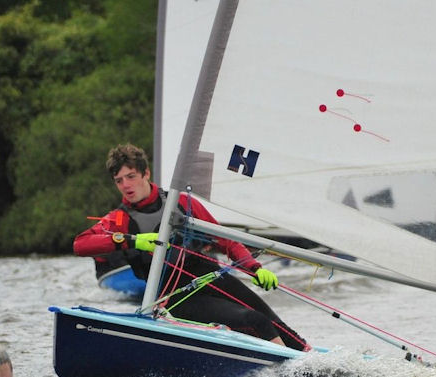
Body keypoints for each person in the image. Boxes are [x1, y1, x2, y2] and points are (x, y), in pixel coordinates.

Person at [73, 143, 309, 351]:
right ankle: (285, 375)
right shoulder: (119, 220)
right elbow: (80, 244)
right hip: (176, 297)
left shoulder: (182, 203)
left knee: (278, 325)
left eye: (131, 176)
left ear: (146, 173)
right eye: (119, 181)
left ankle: (310, 363)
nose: (126, 185)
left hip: (212, 278)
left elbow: (225, 241)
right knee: (255, 321)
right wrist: (131, 240)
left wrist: (254, 269)